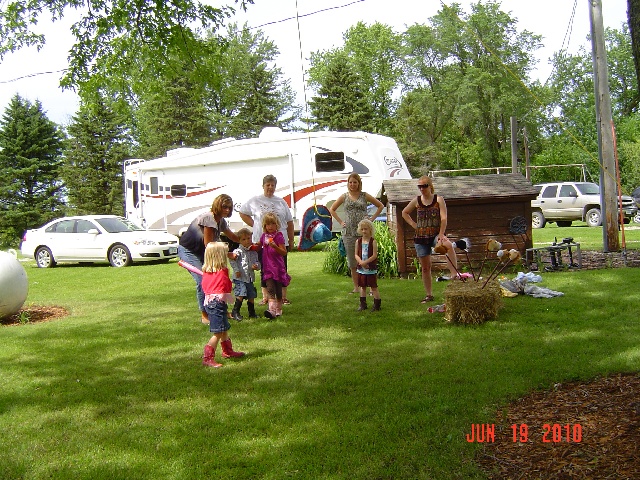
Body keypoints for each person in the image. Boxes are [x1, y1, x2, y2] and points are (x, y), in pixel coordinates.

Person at [180, 242, 245, 368]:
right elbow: (226, 287)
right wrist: (229, 284)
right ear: (219, 256)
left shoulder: (207, 272)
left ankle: (228, 351)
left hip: (212, 302)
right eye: (224, 254)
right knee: (218, 332)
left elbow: (206, 287)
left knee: (223, 328)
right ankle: (208, 357)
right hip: (216, 304)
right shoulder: (222, 271)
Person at [178, 194, 240, 324]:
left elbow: (233, 237)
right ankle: (205, 315)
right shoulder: (208, 218)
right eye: (224, 207)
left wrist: (249, 242)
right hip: (189, 251)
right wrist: (228, 254)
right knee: (202, 281)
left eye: (229, 207)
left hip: (205, 253)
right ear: (217, 205)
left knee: (218, 281)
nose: (227, 210)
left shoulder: (221, 221)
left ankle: (221, 311)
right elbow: (209, 245)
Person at [401, 176, 458, 303]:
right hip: (420, 237)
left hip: (435, 234)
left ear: (430, 186)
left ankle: (454, 274)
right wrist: (414, 225)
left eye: (424, 186)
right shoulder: (416, 200)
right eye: (419, 186)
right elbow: (404, 212)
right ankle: (429, 294)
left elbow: (443, 218)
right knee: (426, 267)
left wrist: (441, 234)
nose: (422, 189)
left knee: (448, 245)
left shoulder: (438, 199)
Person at [239, 174, 294, 305]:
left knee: (282, 268)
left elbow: (289, 221)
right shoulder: (255, 200)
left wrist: (291, 240)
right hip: (262, 242)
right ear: (263, 186)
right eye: (267, 185)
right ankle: (266, 297)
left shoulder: (281, 202)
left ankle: (282, 297)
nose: (270, 187)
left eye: (272, 185)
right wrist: (255, 225)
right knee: (265, 269)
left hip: (280, 241)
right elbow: (242, 212)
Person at [328, 173, 384, 294]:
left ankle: (371, 287)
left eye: (355, 182)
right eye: (350, 182)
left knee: (368, 258)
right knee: (353, 261)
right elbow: (332, 209)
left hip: (364, 232)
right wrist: (340, 221)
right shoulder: (344, 196)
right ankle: (356, 287)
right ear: (348, 184)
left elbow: (380, 205)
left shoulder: (364, 195)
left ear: (359, 183)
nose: (352, 184)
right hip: (349, 233)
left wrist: (371, 219)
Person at [259, 212, 291, 319]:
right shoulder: (264, 236)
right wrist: (250, 246)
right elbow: (259, 246)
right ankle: (271, 310)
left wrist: (275, 247)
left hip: (277, 268)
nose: (270, 226)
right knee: (270, 288)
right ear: (264, 226)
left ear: (277, 225)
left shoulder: (279, 236)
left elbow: (284, 252)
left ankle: (278, 309)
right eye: (268, 224)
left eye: (273, 224)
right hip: (268, 268)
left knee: (278, 289)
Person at [229, 228, 260, 321]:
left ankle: (252, 312)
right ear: (239, 241)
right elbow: (232, 261)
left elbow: (257, 262)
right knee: (241, 293)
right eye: (244, 239)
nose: (247, 241)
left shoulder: (253, 252)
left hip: (249, 277)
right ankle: (235, 311)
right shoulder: (238, 251)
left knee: (251, 294)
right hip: (240, 277)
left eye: (248, 238)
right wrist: (236, 270)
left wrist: (256, 266)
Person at [354, 219, 381, 312]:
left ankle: (377, 305)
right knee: (362, 286)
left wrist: (366, 262)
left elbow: (374, 255)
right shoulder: (358, 241)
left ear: (370, 229)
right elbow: (356, 254)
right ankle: (363, 304)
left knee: (373, 286)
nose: (364, 231)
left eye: (366, 229)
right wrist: (361, 262)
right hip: (361, 268)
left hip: (370, 268)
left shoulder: (373, 242)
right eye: (362, 229)